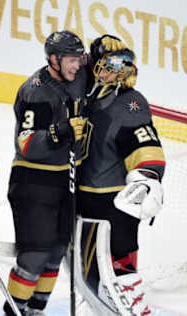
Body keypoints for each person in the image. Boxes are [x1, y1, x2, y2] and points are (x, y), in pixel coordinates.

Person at [4, 30, 88, 316]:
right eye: (71, 59)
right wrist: (60, 131)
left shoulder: (73, 77)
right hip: (32, 183)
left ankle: (35, 311)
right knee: (35, 256)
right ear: (54, 59)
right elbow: (26, 143)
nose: (77, 65)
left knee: (55, 254)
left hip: (61, 181)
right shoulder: (36, 91)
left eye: (80, 58)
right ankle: (13, 311)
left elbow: (94, 68)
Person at [77, 45, 165, 315]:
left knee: (119, 268)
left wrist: (147, 176)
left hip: (115, 204)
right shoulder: (94, 96)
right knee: (90, 277)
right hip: (86, 199)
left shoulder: (129, 103)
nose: (99, 71)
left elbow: (146, 146)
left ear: (121, 74)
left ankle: (133, 305)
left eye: (107, 68)